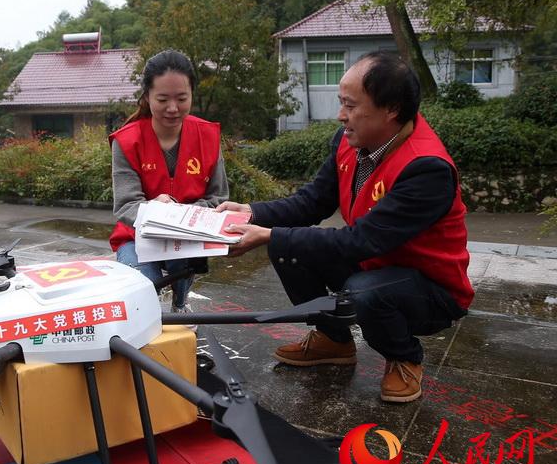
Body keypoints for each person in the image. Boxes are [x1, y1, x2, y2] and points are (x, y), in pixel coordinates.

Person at [217, 51, 473, 403]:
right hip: (373, 264)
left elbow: (361, 241)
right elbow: (311, 203)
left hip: (429, 288)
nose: (341, 116)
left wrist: (271, 234)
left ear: (392, 109)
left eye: (351, 106)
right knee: (290, 250)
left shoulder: (426, 169)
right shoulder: (350, 143)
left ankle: (404, 357)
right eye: (341, 103)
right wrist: (251, 213)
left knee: (363, 290)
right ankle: (332, 338)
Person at [109, 50, 229, 313]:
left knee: (181, 265)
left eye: (182, 98)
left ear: (191, 96)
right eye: (162, 99)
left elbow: (219, 197)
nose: (173, 108)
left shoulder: (207, 136)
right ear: (147, 97)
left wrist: (182, 215)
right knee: (142, 288)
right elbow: (126, 205)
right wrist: (155, 210)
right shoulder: (127, 141)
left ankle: (180, 304)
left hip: (187, 237)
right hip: (136, 236)